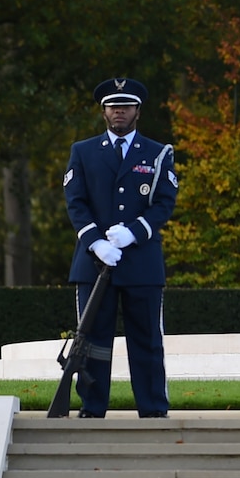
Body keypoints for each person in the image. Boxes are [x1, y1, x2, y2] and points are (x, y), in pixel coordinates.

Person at [61, 77, 178, 419]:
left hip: (140, 260)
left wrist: (134, 232)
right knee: (93, 340)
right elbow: (75, 202)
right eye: (113, 106)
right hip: (94, 262)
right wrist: (95, 242)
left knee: (147, 341)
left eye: (126, 105)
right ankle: (92, 407)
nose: (119, 111)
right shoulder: (82, 151)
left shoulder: (157, 153)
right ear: (103, 111)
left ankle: (153, 408)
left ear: (137, 111)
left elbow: (164, 203)